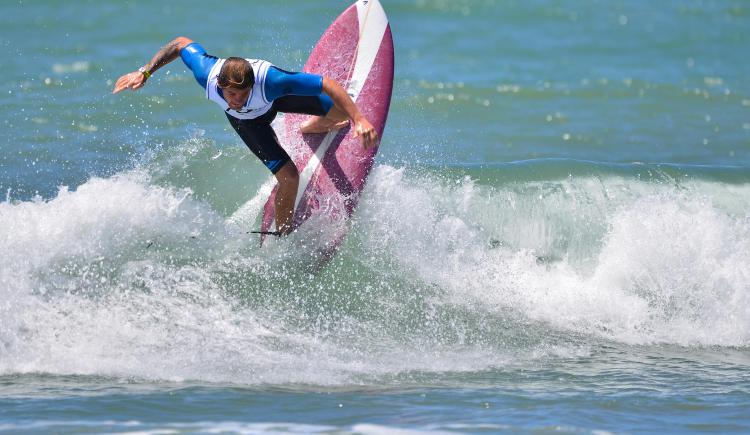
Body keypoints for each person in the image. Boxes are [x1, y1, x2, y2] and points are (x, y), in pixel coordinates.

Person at [112, 36, 378, 235]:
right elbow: (181, 44)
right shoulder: (207, 74)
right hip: (249, 124)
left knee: (337, 108)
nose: (237, 100)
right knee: (289, 177)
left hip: (273, 101)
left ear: (253, 85)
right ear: (220, 86)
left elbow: (326, 83)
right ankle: (283, 234)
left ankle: (315, 125)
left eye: (243, 93)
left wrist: (360, 119)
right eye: (231, 95)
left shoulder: (272, 81)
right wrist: (145, 71)